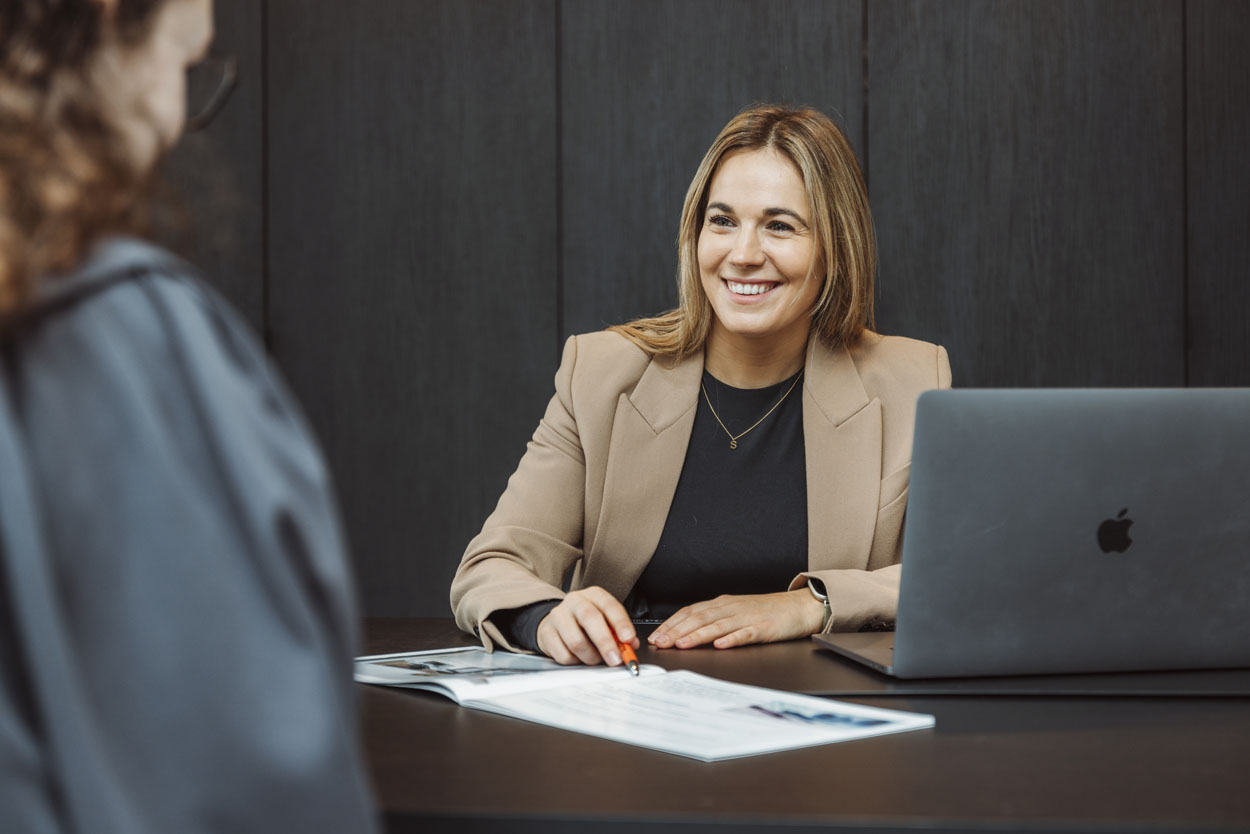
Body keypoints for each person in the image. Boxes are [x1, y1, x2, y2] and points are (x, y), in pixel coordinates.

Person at [0, 1, 378, 832]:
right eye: (184, 66)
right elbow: (251, 779)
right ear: (107, 28)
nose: (177, 123)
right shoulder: (127, 340)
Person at [451, 103, 951, 668]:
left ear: (835, 245)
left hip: (826, 715)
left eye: (780, 226)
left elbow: (963, 574)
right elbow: (490, 567)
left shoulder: (911, 382)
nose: (743, 255)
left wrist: (809, 605)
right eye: (722, 221)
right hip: (638, 709)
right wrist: (545, 618)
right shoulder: (601, 373)